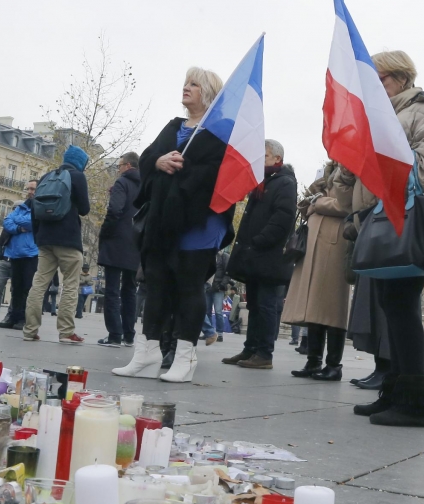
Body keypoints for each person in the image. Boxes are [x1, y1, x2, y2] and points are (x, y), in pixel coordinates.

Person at [345, 50, 424, 428]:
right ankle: (395, 390)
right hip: (383, 220)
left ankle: (415, 403)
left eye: (379, 80)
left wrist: (386, 178)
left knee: (402, 306)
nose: (375, 89)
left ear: (400, 78)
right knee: (390, 307)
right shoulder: (381, 117)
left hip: (411, 220)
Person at [113, 67, 235, 382]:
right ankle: (147, 353)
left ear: (209, 93)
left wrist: (180, 168)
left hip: (200, 219)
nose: (186, 87)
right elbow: (149, 156)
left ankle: (185, 356)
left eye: (194, 84)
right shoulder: (173, 125)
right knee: (155, 283)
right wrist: (157, 162)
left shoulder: (223, 131)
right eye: (185, 83)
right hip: (163, 220)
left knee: (189, 286)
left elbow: (220, 173)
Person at [222, 140, 297, 370]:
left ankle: (264, 353)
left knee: (265, 306)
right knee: (254, 304)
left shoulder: (284, 183)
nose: (260, 160)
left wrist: (259, 242)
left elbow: (282, 218)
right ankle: (250, 348)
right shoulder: (263, 182)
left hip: (268, 257)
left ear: (277, 158)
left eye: (264, 156)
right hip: (255, 257)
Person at [284, 161, 354, 381]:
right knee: (313, 305)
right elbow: (306, 204)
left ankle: (334, 364)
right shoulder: (325, 177)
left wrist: (318, 203)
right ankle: (313, 361)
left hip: (335, 243)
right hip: (313, 244)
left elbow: (347, 206)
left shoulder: (352, 174)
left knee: (333, 306)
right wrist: (311, 203)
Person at [23, 144, 91, 344]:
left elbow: (35, 211)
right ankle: (66, 332)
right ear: (80, 163)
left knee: (38, 284)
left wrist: (39, 237)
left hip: (45, 239)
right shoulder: (78, 177)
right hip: (68, 239)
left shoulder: (46, 177)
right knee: (70, 284)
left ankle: (29, 330)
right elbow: (85, 209)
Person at [97, 152, 142, 347]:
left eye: (119, 165)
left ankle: (114, 334)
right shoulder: (145, 185)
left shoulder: (121, 183)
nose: (118, 169)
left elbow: (115, 210)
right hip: (136, 242)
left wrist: (105, 232)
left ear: (127, 166)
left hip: (116, 241)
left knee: (112, 290)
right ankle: (129, 334)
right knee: (130, 290)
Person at [0, 180, 39, 330]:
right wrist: (20, 228)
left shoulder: (39, 207)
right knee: (15, 287)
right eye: (28, 188)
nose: (30, 191)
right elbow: (7, 221)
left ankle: (23, 318)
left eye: (33, 189)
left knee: (27, 287)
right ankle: (13, 316)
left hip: (31, 253)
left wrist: (17, 222)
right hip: (15, 252)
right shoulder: (21, 207)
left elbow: (33, 222)